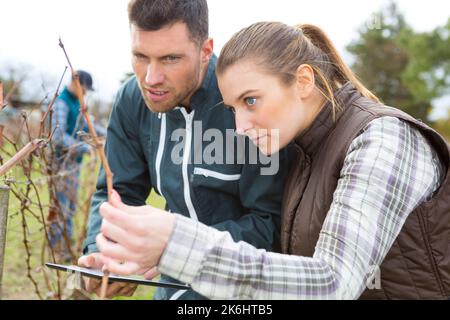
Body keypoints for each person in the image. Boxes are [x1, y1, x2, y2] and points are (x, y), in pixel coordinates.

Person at [96, 22, 450, 300]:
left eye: (251, 101)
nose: (240, 126)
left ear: (303, 81)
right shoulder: (299, 150)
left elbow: (331, 284)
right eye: (233, 108)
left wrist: (176, 243)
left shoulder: (384, 140)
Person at [78, 1, 289, 300]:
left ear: (205, 51)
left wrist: (174, 246)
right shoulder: (132, 100)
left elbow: (271, 223)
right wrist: (105, 255)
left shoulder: (247, 102)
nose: (151, 78)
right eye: (140, 56)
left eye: (170, 59)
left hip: (246, 291)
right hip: (171, 289)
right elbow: (117, 191)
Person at [50, 70, 105, 261]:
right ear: (75, 83)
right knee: (62, 207)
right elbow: (57, 137)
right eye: (84, 88)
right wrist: (84, 147)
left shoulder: (76, 103)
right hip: (61, 163)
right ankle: (59, 248)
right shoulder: (62, 103)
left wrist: (107, 133)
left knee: (70, 206)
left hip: (73, 163)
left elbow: (85, 125)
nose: (86, 93)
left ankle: (66, 246)